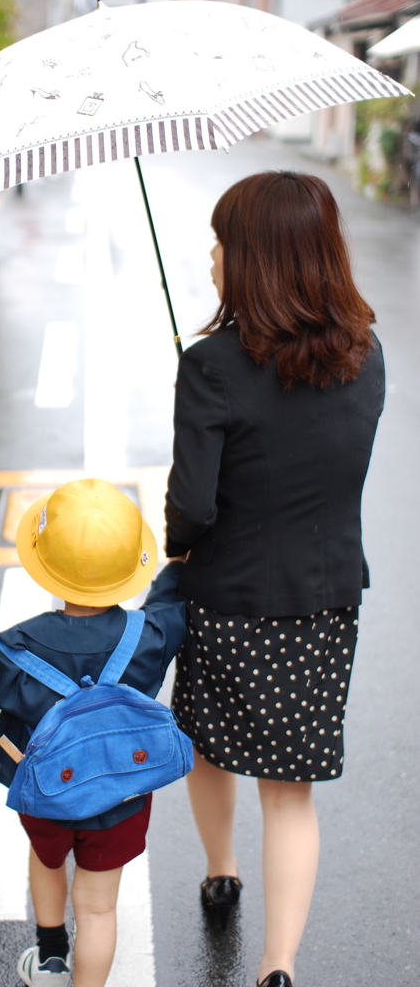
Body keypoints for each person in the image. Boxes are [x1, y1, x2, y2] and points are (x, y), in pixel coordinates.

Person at [164, 171, 385, 987]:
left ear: (253, 259)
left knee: (207, 743)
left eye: (222, 244)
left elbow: (192, 503)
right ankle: (278, 967)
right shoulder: (367, 357)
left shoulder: (211, 366)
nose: (211, 258)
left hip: (226, 596)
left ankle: (220, 868)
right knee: (289, 791)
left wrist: (176, 545)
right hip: (324, 599)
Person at [0, 478, 188, 987]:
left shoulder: (19, 646)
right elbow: (171, 602)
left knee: (46, 859)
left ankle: (50, 959)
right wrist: (178, 565)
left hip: (46, 791)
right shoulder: (152, 634)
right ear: (130, 569)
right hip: (121, 797)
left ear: (44, 566)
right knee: (100, 910)